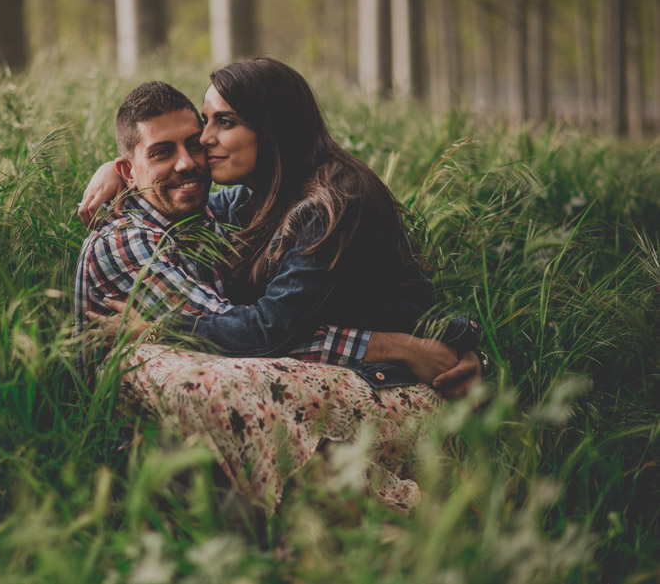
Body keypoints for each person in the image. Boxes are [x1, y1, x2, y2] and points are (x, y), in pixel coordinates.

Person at [74, 69, 486, 514]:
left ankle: (410, 513)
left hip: (392, 381)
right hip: (354, 369)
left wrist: (158, 326)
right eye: (204, 125)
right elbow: (188, 204)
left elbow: (267, 332)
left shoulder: (326, 206)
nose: (202, 148)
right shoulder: (255, 197)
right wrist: (122, 175)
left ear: (272, 128)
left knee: (221, 388)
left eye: (220, 125)